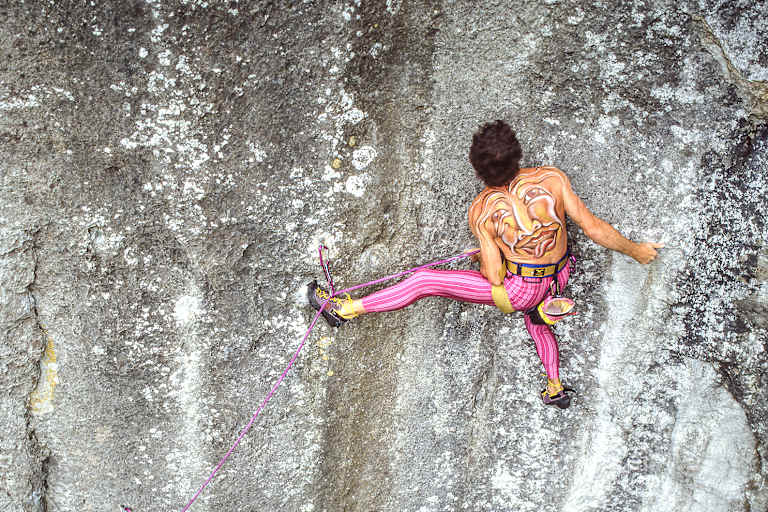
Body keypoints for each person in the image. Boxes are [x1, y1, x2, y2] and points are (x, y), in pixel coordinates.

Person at [308, 120, 663, 409]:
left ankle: (345, 309)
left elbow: (493, 276)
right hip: (559, 276)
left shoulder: (482, 211)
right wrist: (637, 251)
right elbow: (593, 227)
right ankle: (554, 386)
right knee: (537, 322)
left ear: (478, 172)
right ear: (518, 155)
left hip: (521, 288)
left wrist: (485, 254)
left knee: (424, 281)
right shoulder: (552, 180)